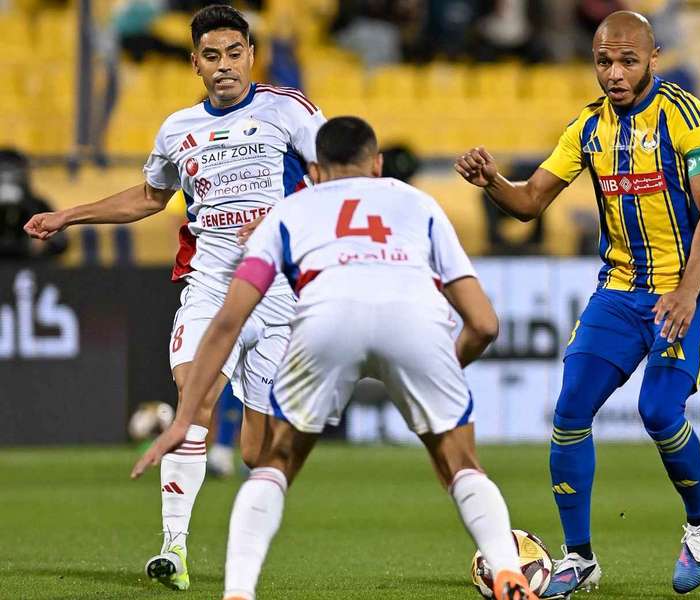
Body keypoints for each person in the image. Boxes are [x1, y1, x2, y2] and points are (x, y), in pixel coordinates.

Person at [132, 116, 540, 600]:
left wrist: (184, 419)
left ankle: (238, 592)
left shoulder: (288, 211)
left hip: (327, 317)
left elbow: (229, 320)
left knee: (274, 463)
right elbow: (486, 325)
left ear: (317, 171)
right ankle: (507, 570)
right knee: (461, 464)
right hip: (413, 317)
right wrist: (444, 368)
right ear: (379, 164)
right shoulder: (418, 204)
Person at [23, 4, 326, 591]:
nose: (223, 67)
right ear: (194, 63)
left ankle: (245, 555)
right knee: (194, 394)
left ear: (250, 56)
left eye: (233, 54)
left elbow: (336, 176)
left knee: (257, 455)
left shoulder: (289, 110)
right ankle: (173, 549)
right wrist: (68, 215)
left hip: (280, 296)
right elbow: (148, 195)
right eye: (210, 57)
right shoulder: (178, 130)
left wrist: (282, 217)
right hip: (211, 288)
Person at [456, 11, 700, 596]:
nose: (614, 72)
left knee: (659, 411)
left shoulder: (687, 117)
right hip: (621, 288)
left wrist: (686, 292)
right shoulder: (587, 127)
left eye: (628, 60)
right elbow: (530, 201)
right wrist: (492, 183)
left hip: (692, 285)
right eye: (603, 61)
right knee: (570, 411)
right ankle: (579, 558)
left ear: (653, 60)